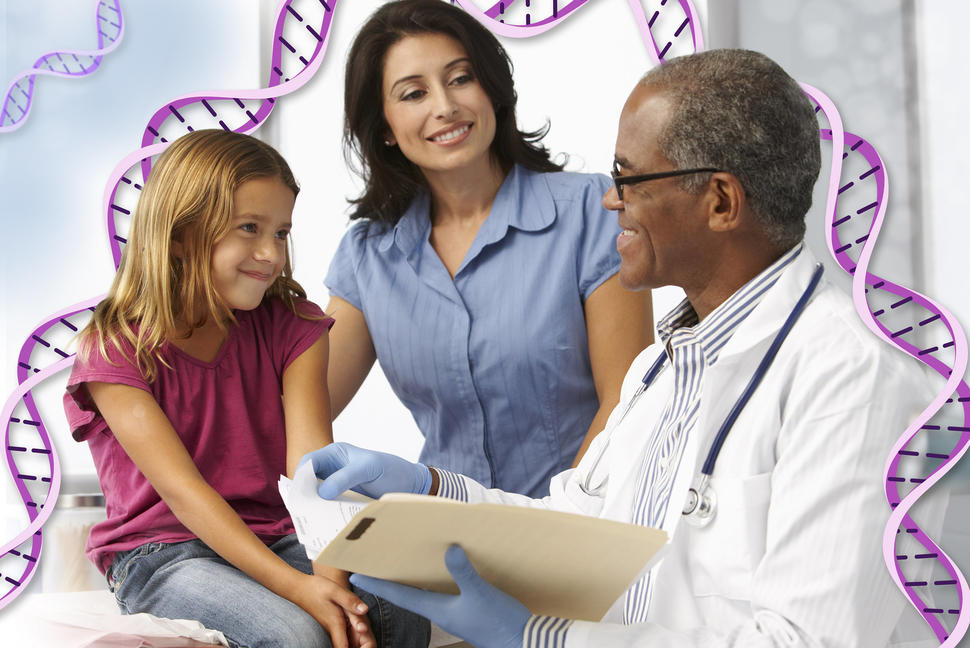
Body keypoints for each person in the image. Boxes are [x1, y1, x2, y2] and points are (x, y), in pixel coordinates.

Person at [304, 49, 939, 647]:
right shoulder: (661, 367)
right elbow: (576, 527)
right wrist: (430, 489)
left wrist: (542, 638)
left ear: (720, 201)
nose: (610, 200)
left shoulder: (851, 375)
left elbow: (803, 641)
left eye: (629, 179)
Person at [62, 130, 429, 648]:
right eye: (249, 228)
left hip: (281, 533)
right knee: (295, 636)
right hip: (162, 552)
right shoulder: (114, 349)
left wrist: (330, 584)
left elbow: (311, 474)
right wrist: (301, 592)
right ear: (180, 235)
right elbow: (185, 496)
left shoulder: (296, 328)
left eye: (281, 232)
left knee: (398, 613)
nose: (270, 253)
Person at [325, 0, 653, 497]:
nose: (445, 106)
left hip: (578, 524)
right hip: (439, 529)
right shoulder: (368, 256)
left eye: (461, 78)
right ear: (385, 127)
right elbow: (299, 410)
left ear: (492, 90)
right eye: (414, 93)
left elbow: (625, 405)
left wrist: (556, 523)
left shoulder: (592, 210)